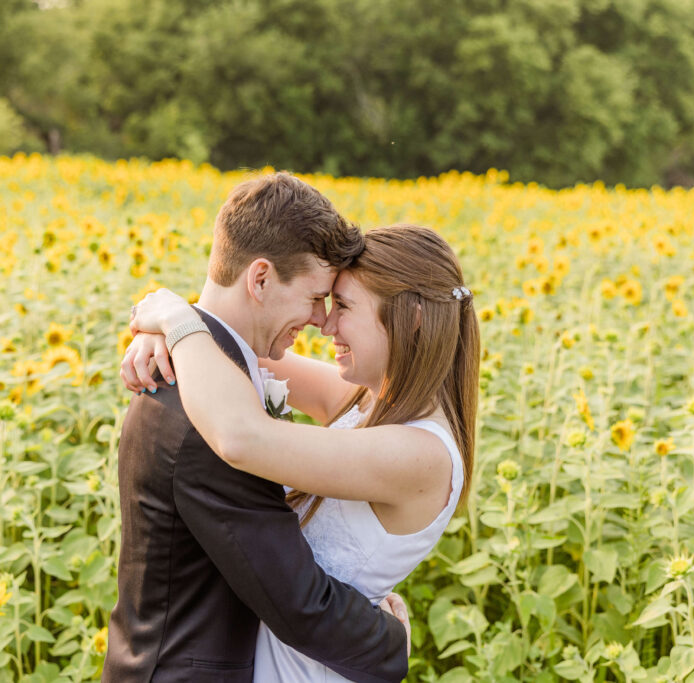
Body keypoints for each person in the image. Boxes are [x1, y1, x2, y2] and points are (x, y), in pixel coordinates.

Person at [123, 223, 479, 682]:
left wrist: (176, 320)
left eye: (344, 306)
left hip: (309, 668)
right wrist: (164, 333)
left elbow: (241, 438)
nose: (326, 323)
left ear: (410, 318)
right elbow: (242, 341)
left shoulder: (421, 454)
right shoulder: (365, 402)